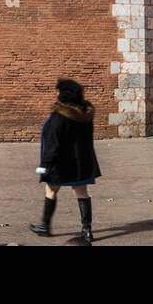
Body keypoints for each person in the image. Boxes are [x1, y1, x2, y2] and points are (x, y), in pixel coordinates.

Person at [30, 78, 103, 242]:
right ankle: (87, 230)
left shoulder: (58, 117)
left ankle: (45, 225)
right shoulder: (85, 115)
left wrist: (45, 166)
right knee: (82, 193)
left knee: (51, 191)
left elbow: (52, 144)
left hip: (60, 164)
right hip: (81, 162)